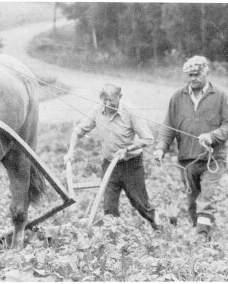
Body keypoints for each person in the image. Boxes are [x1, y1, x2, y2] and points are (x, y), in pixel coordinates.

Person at [64, 83, 159, 229]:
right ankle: (113, 237)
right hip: (109, 164)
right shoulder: (98, 111)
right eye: (105, 100)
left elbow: (148, 138)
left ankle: (157, 225)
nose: (108, 104)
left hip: (131, 164)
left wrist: (127, 149)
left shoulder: (130, 112)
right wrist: (70, 152)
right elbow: (78, 131)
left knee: (139, 203)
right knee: (109, 207)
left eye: (111, 101)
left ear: (119, 97)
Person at [154, 55, 228, 240]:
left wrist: (212, 136)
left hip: (213, 159)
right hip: (187, 160)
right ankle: (201, 229)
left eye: (196, 74)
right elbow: (168, 126)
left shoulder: (220, 96)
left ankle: (202, 238)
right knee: (192, 201)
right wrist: (161, 148)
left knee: (207, 198)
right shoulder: (178, 98)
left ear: (206, 73)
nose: (193, 78)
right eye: (189, 75)